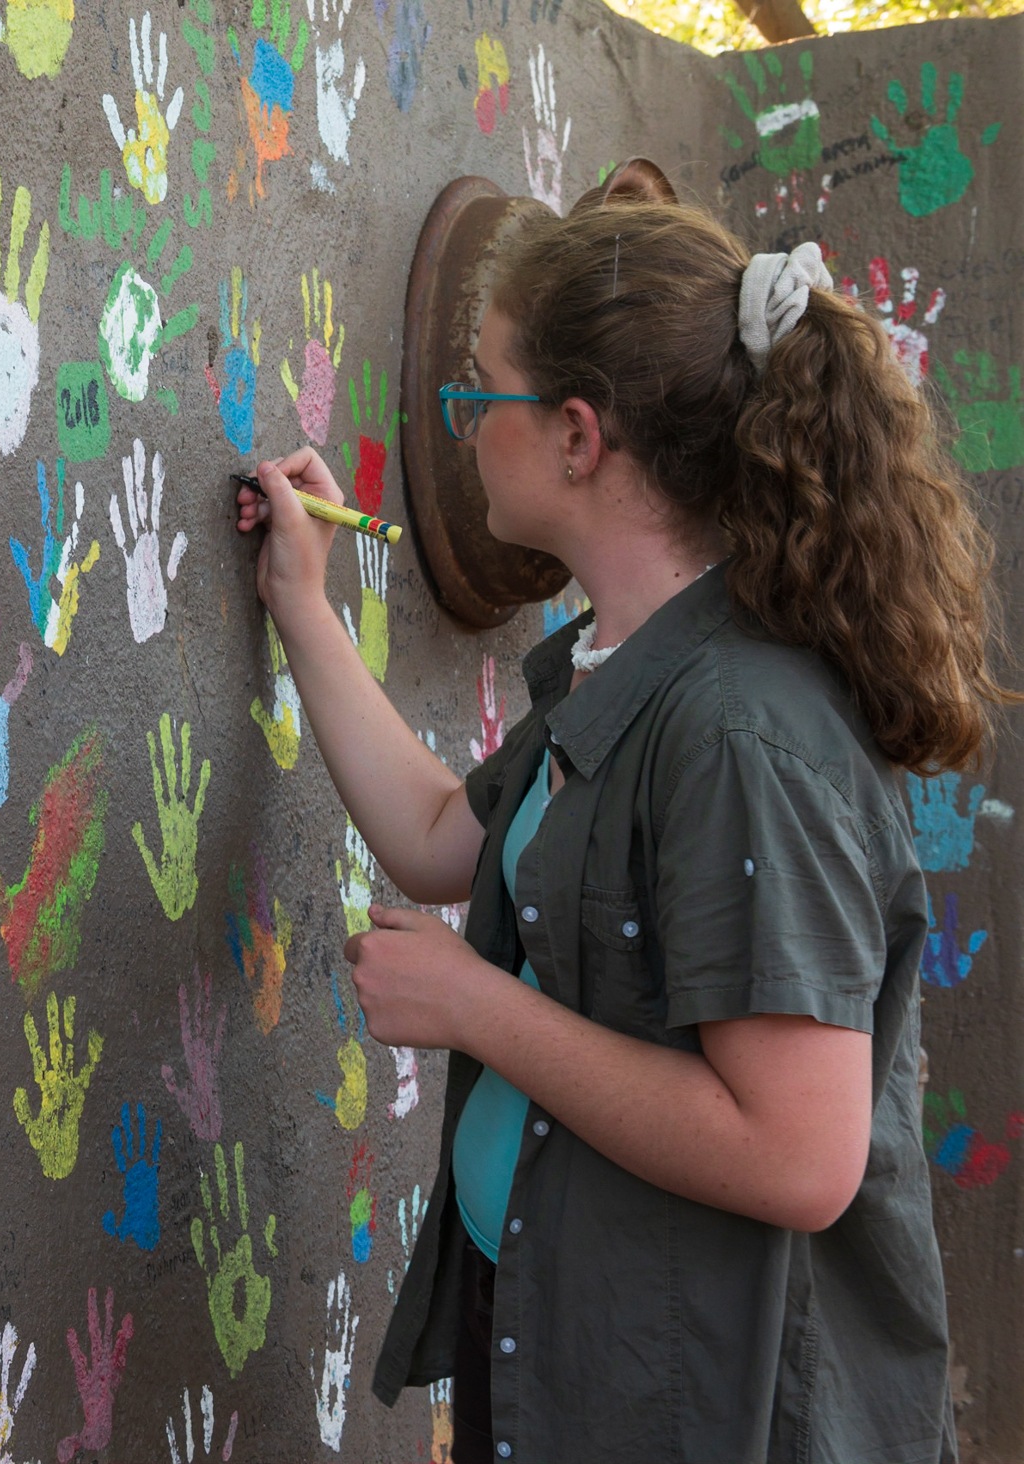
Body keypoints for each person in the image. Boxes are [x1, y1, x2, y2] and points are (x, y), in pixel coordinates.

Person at [235, 179, 1013, 1463]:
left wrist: (476, 1008)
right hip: (575, 1345)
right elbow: (440, 834)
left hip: (701, 1402)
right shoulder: (626, 665)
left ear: (578, 437)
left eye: (478, 398)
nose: (459, 426)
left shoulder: (738, 733)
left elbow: (798, 1153)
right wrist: (303, 606)